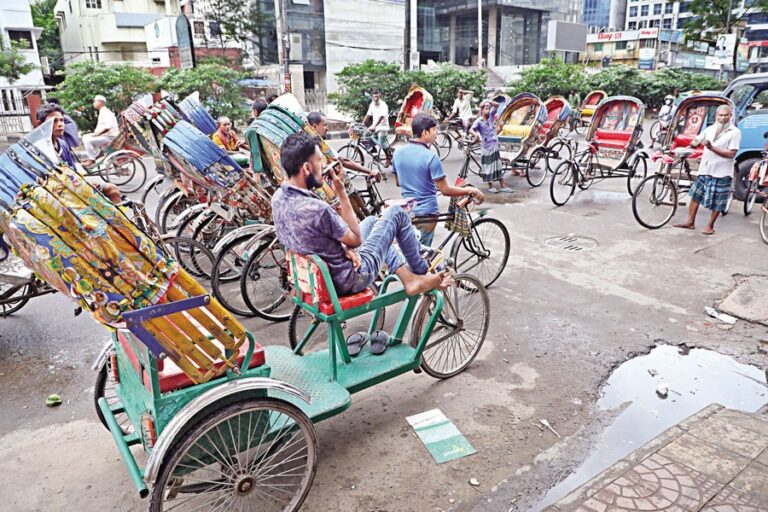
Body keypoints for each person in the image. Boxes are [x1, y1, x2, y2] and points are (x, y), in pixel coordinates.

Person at [272, 131, 452, 354]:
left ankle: (408, 277)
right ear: (306, 168)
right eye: (319, 161)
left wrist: (343, 248)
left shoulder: (278, 199)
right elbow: (356, 239)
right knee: (396, 214)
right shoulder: (317, 210)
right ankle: (419, 273)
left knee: (370, 222)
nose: (322, 165)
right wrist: (341, 192)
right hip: (348, 279)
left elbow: (316, 240)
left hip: (316, 277)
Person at [392, 114, 484, 246]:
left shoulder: (397, 153)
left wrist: (424, 185)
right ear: (425, 132)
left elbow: (398, 182)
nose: (437, 133)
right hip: (427, 214)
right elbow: (445, 190)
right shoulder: (430, 157)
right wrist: (471, 189)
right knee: (421, 257)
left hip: (407, 211)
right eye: (434, 130)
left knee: (410, 252)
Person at [674, 105, 741, 235]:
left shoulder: (735, 132)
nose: (722, 118)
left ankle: (710, 226)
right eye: (720, 115)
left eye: (725, 115)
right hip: (705, 168)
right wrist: (687, 147)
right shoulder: (710, 129)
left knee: (718, 200)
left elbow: (731, 153)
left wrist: (712, 147)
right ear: (716, 116)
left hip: (721, 171)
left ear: (730, 116)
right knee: (695, 195)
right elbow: (697, 140)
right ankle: (690, 222)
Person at [36, 103, 122, 204]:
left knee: (112, 189)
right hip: (55, 195)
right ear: (40, 124)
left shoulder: (63, 144)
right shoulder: (37, 149)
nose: (60, 124)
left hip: (73, 188)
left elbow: (73, 171)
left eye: (61, 120)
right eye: (54, 121)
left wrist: (85, 184)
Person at [307, 111, 379, 181]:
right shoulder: (318, 145)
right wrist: (370, 171)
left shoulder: (308, 142)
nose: (327, 128)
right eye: (324, 125)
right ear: (314, 126)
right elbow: (344, 161)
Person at [470, 100, 512, 193]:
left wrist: (487, 101)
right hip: (486, 146)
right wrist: (476, 135)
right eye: (486, 109)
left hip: (494, 145)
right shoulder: (479, 121)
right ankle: (490, 185)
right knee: (488, 167)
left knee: (498, 165)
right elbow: (471, 129)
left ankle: (502, 185)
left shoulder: (491, 117)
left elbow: (497, 105)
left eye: (488, 109)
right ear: (481, 111)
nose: (488, 110)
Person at [81, 95, 119, 166]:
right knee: (85, 137)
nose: (94, 103)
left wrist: (97, 134)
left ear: (100, 102)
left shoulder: (106, 112)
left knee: (87, 140)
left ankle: (92, 159)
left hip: (109, 137)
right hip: (106, 136)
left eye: (95, 102)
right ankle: (94, 156)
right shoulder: (102, 111)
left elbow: (108, 127)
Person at [365, 89, 391, 163]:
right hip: (375, 127)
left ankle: (388, 157)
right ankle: (373, 148)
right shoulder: (372, 104)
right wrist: (362, 124)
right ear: (372, 97)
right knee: (365, 134)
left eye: (377, 97)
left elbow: (381, 117)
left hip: (383, 127)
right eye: (374, 97)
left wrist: (374, 126)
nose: (376, 98)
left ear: (379, 96)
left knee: (381, 141)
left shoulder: (383, 104)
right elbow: (368, 115)